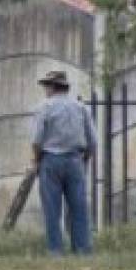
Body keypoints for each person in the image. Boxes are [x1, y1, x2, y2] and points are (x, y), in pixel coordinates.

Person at [31, 69, 95, 255]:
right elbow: (93, 141)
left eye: (46, 86)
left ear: (52, 87)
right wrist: (85, 160)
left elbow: (36, 140)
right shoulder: (81, 107)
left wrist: (35, 160)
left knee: (52, 209)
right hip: (75, 159)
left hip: (50, 160)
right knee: (79, 208)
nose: (45, 90)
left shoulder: (44, 107)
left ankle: (55, 251)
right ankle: (82, 249)